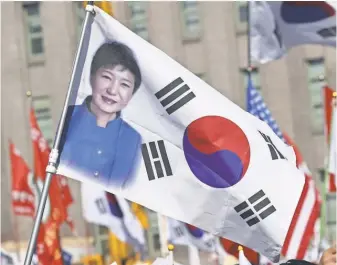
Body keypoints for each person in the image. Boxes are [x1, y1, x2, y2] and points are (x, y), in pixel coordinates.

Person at [58, 41, 142, 188]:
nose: (113, 90)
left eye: (125, 85)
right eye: (107, 77)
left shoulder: (133, 139)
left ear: (131, 95)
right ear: (92, 77)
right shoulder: (68, 119)